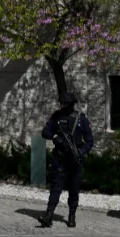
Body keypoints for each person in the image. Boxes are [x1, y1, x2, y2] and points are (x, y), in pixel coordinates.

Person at [39, 92, 94, 228]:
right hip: (60, 158)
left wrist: (81, 152)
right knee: (56, 188)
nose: (64, 106)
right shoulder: (57, 117)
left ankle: (71, 215)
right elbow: (45, 132)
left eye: (67, 104)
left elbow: (89, 141)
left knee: (74, 189)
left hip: (75, 160)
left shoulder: (81, 120)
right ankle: (49, 215)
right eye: (63, 103)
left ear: (73, 104)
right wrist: (56, 138)